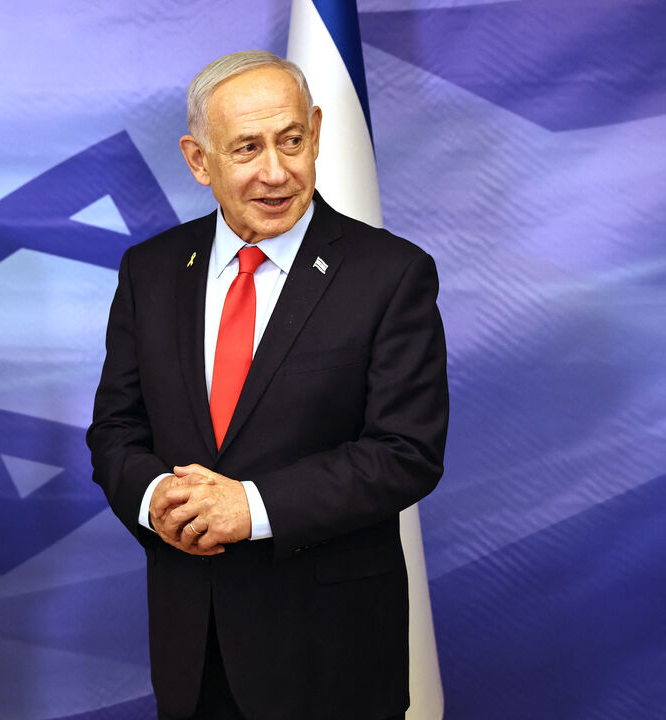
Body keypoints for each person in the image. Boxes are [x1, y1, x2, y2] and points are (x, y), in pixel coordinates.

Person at [87, 50, 448, 720]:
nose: (276, 171)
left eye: (291, 140)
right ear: (200, 161)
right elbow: (115, 430)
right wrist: (159, 497)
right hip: (193, 647)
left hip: (330, 654)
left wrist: (248, 508)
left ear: (314, 131)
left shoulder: (390, 275)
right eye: (247, 148)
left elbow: (405, 452)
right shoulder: (151, 270)